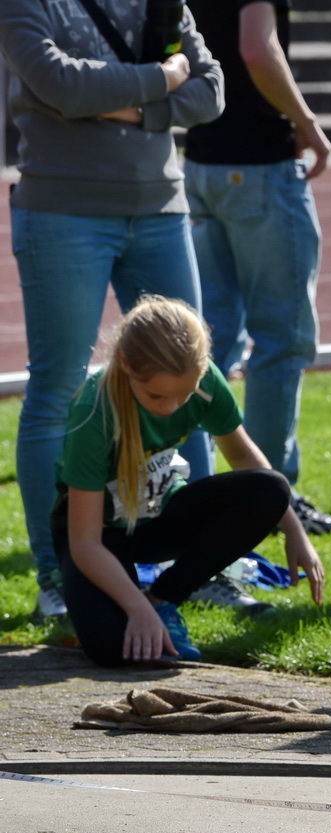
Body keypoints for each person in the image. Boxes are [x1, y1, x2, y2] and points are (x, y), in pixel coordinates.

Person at [0, 0, 224, 620]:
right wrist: (165, 79)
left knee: (194, 381)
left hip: (161, 210)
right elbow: (60, 85)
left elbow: (211, 94)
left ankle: (196, 568)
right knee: (56, 390)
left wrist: (120, 101)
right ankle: (55, 575)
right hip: (61, 212)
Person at [52, 296, 325, 669]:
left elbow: (245, 458)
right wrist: (133, 607)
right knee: (114, 649)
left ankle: (163, 600)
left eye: (184, 395)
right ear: (128, 365)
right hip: (101, 537)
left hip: (163, 517)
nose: (171, 408)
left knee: (271, 489)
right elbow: (84, 542)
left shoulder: (204, 381)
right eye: (157, 396)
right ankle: (129, 602)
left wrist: (294, 529)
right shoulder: (93, 413)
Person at [182, 0, 331, 550]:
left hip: (200, 162)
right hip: (258, 165)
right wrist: (307, 124)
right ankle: (268, 494)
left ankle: (195, 489)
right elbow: (257, 47)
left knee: (206, 344)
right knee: (281, 341)